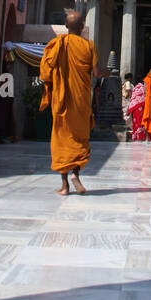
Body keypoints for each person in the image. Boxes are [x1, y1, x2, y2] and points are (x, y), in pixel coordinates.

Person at [38, 10, 98, 195]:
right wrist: (106, 73)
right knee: (79, 139)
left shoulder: (57, 44)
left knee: (62, 141)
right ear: (81, 27)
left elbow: (46, 72)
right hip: (80, 102)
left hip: (62, 100)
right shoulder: (89, 46)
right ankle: (76, 175)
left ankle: (64, 186)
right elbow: (96, 73)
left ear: (66, 26)